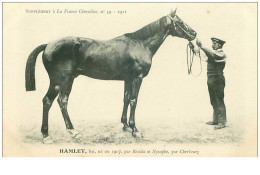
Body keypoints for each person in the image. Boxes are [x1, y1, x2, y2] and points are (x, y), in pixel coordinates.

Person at [189, 37, 227, 130]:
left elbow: (212, 55)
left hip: (218, 79)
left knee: (219, 99)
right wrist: (193, 48)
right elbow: (202, 56)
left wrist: (201, 46)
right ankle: (215, 120)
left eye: (214, 43)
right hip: (210, 79)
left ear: (219, 45)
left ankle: (222, 122)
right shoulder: (212, 54)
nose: (212, 45)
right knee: (213, 99)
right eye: (213, 43)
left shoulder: (221, 54)